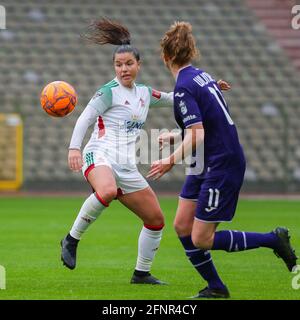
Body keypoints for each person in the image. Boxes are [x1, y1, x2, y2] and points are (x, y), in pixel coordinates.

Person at [147, 21, 298, 298]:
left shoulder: (184, 87)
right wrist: (175, 136)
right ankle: (216, 288)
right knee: (182, 224)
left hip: (220, 162)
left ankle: (272, 240)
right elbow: (204, 123)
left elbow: (198, 132)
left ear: (165, 57)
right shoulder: (202, 77)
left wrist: (170, 159)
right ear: (191, 52)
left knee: (201, 238)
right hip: (204, 160)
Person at [60, 18, 175, 285]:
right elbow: (85, 118)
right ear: (114, 67)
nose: (123, 69)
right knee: (107, 191)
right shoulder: (108, 92)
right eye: (118, 65)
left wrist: (209, 87)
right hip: (99, 154)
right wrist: (74, 148)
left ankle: (141, 273)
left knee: (156, 220)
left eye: (128, 64)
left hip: (125, 165)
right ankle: (71, 239)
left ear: (138, 65)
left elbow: (173, 98)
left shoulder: (145, 93)